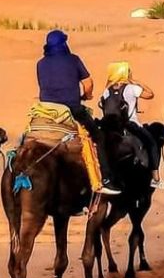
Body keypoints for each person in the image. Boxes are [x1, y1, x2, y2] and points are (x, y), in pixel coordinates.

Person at [36, 30, 120, 195]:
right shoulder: (73, 60)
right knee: (98, 138)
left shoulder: (40, 63)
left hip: (46, 110)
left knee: (28, 134)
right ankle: (106, 180)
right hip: (71, 109)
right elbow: (88, 83)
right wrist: (86, 96)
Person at [100, 62, 164, 189]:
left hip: (109, 127)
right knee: (152, 143)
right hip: (130, 124)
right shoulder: (131, 88)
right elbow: (150, 94)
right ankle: (156, 178)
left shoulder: (106, 91)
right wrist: (135, 81)